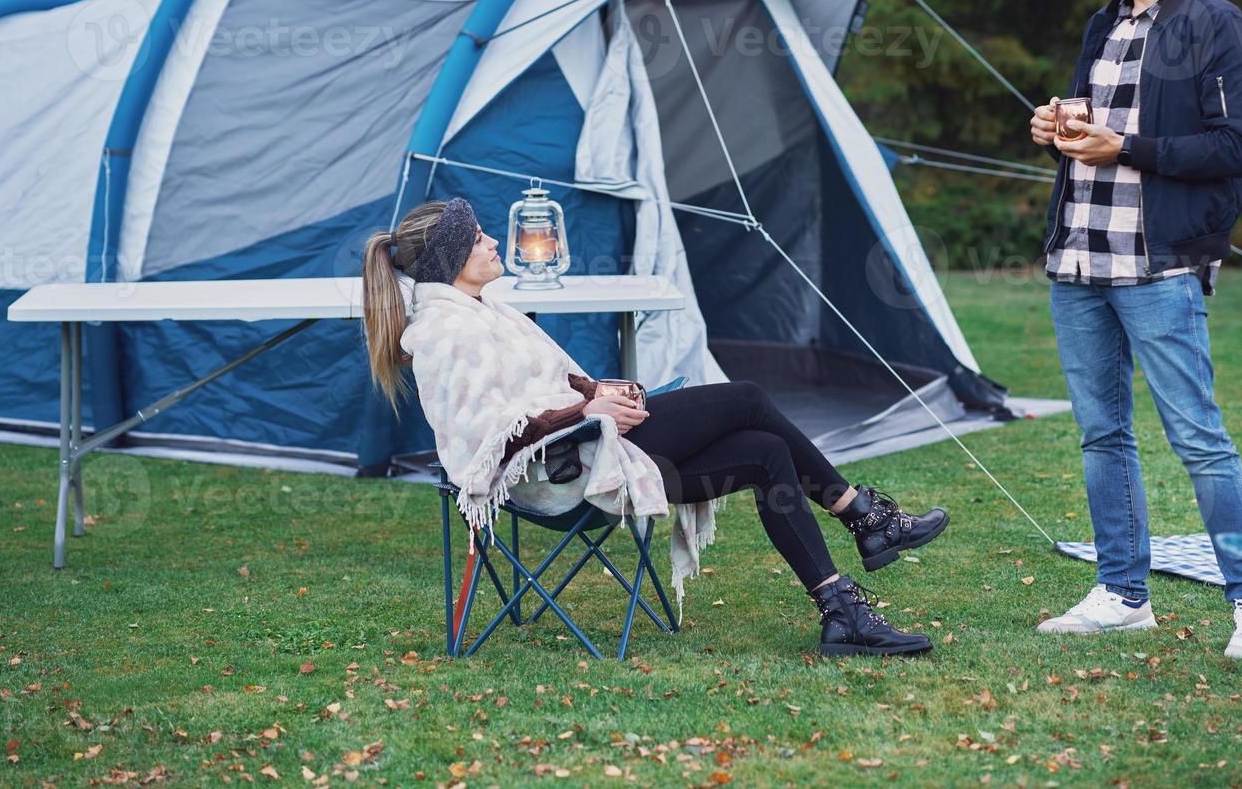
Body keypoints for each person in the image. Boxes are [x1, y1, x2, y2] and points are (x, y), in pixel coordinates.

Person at [361, 196, 951, 657]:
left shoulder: (486, 311)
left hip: (590, 446)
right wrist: (584, 414)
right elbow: (479, 436)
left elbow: (552, 389)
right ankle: (865, 517)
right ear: (450, 259)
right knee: (745, 396)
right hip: (565, 472)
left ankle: (840, 612)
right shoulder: (445, 332)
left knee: (766, 451)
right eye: (478, 237)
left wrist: (600, 393)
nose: (492, 241)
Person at [1028, 0, 1242, 659]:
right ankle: (1122, 593)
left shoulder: (1217, 25)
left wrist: (1126, 146)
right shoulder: (1102, 27)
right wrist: (1059, 125)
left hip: (1160, 266)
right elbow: (1094, 130)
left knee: (1199, 439)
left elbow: (1237, 147)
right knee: (1103, 436)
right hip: (1078, 262)